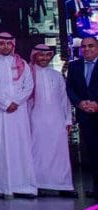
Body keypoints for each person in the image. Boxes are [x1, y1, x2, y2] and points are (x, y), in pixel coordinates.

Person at [0, 32, 36, 199]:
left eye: (8, 44)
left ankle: (24, 187)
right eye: (1, 44)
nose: (5, 46)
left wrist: (16, 102)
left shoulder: (22, 64)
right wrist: (5, 103)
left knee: (20, 146)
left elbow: (29, 86)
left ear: (13, 45)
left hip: (18, 112)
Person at [28, 45, 75, 197]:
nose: (44, 58)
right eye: (41, 55)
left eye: (48, 55)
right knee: (38, 152)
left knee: (60, 153)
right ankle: (38, 184)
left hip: (57, 120)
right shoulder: (29, 74)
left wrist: (67, 120)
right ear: (35, 56)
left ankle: (63, 185)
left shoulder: (56, 75)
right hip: (36, 120)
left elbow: (64, 100)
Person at [66, 36, 98, 198]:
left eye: (91, 46)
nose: (87, 49)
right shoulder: (74, 66)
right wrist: (79, 103)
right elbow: (69, 88)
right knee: (93, 154)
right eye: (84, 46)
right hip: (85, 116)